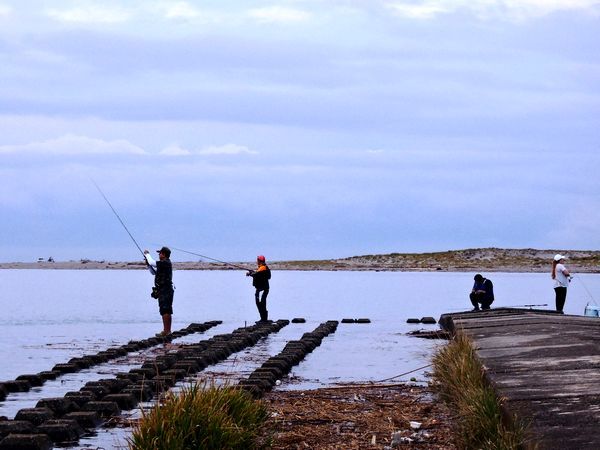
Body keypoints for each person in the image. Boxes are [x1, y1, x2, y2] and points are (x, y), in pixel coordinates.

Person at [144, 246, 174, 336]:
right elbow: (154, 272)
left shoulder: (165, 262)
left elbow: (152, 262)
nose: (159, 254)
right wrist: (148, 265)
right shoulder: (163, 264)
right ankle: (166, 331)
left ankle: (167, 331)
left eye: (160, 253)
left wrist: (147, 254)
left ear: (164, 254)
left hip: (166, 289)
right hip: (163, 290)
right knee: (164, 310)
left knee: (165, 310)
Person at [246, 255, 271, 322]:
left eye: (257, 260)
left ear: (260, 261)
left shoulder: (263, 268)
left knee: (261, 303)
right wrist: (251, 272)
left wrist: (250, 274)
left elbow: (257, 275)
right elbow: (257, 274)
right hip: (262, 289)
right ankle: (263, 318)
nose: (257, 261)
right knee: (261, 303)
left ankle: (264, 319)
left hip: (262, 289)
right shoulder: (263, 268)